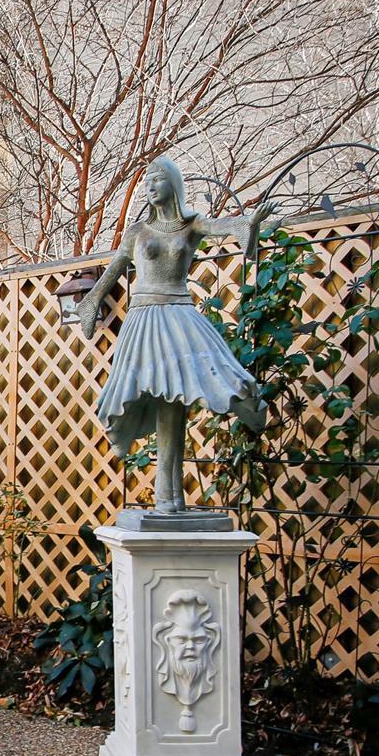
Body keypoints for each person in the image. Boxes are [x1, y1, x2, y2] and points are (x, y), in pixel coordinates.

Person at [76, 157, 276, 514]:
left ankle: (170, 498)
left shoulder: (191, 224)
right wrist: (90, 303)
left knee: (193, 388)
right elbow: (112, 272)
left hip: (180, 316)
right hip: (145, 319)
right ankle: (166, 497)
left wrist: (249, 223)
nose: (150, 187)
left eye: (157, 179)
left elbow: (222, 226)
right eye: (146, 182)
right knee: (155, 393)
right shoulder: (137, 232)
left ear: (173, 183)